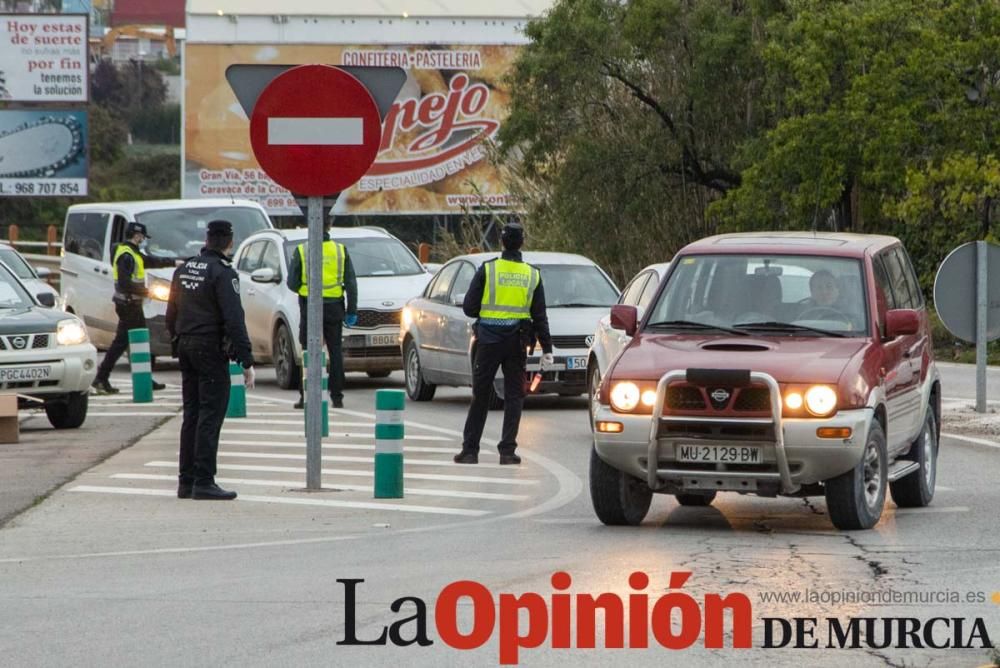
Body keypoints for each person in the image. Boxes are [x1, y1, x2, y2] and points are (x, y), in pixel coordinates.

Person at [165, 220, 255, 501]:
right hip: (209, 350)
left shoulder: (184, 268)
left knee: (191, 414)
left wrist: (177, 339)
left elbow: (171, 312)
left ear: (207, 239)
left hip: (186, 346)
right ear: (229, 242)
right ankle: (204, 480)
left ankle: (186, 481)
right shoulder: (223, 273)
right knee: (210, 415)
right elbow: (234, 319)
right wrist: (247, 360)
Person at [454, 222, 553, 466]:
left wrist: (487, 314)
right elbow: (540, 316)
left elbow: (469, 308)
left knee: (481, 394)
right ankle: (507, 452)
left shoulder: (488, 270)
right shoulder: (532, 274)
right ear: (522, 242)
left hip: (487, 340)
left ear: (502, 242)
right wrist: (547, 349)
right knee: (514, 397)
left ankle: (470, 451)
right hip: (517, 342)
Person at [91, 222, 175, 394]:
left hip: (130, 303)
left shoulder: (131, 253)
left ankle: (105, 377)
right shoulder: (127, 255)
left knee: (126, 342)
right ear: (137, 236)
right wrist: (147, 291)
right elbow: (124, 283)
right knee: (133, 341)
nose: (144, 240)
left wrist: (175, 262)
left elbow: (150, 261)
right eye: (143, 237)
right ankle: (103, 378)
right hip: (128, 303)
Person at [287, 219, 358, 409]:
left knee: (308, 352)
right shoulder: (340, 251)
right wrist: (352, 310)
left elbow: (291, 283)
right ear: (329, 226)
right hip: (334, 308)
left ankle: (306, 396)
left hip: (309, 306)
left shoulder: (302, 250)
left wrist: (307, 287)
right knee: (335, 352)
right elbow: (351, 283)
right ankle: (337, 397)